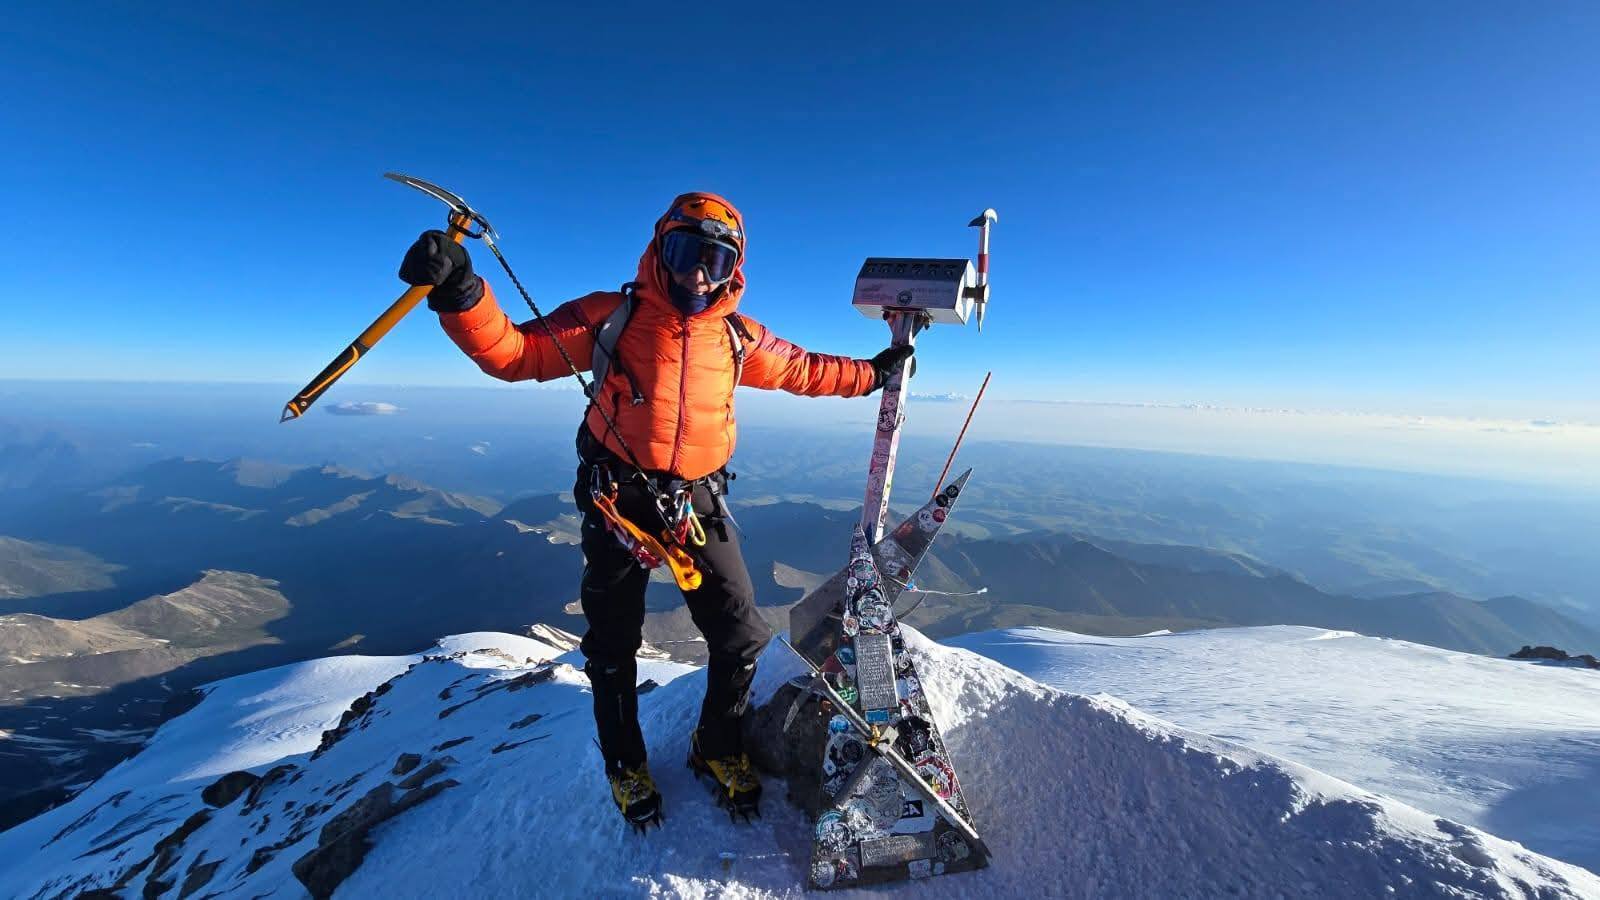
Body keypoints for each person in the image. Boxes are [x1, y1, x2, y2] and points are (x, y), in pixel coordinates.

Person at [399, 192, 912, 830]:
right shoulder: (611, 316)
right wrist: (463, 294)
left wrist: (871, 375)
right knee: (613, 641)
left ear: (733, 268)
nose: (698, 273)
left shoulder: (736, 335)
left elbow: (803, 369)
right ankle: (625, 763)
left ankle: (716, 745)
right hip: (619, 498)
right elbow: (517, 353)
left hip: (696, 500)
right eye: (685, 251)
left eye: (715, 260)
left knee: (740, 634)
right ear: (659, 249)